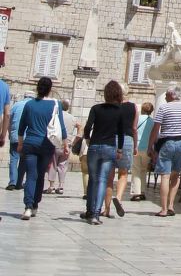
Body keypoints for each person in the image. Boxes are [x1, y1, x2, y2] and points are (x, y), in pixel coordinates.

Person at [82, 81, 134, 225]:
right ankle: (96, 214)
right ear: (118, 94)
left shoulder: (96, 108)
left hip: (94, 146)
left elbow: (87, 127)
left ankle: (89, 210)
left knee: (92, 179)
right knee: (102, 180)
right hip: (109, 147)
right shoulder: (120, 111)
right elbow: (121, 133)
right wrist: (119, 150)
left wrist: (88, 140)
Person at [16, 76, 68, 219]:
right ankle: (35, 205)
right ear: (50, 89)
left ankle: (27, 206)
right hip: (46, 145)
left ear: (37, 88)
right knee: (40, 176)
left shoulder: (29, 104)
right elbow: (61, 127)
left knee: (31, 175)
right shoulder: (55, 104)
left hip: (30, 143)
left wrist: (20, 143)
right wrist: (65, 145)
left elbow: (22, 127)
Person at [149, 86, 181, 217]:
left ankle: (164, 209)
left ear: (171, 95)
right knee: (176, 174)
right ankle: (171, 205)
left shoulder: (164, 108)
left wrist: (150, 146)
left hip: (167, 142)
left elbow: (156, 128)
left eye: (166, 95)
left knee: (165, 175)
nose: (165, 97)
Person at [45, 100, 74, 195]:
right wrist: (73, 141)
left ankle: (52, 186)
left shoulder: (56, 116)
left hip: (57, 143)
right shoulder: (72, 118)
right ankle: (61, 186)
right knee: (63, 165)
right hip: (67, 144)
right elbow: (80, 127)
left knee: (53, 164)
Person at [131, 102, 155, 200]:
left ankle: (136, 193)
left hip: (136, 146)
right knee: (144, 170)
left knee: (136, 169)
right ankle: (142, 191)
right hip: (148, 148)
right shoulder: (152, 122)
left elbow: (133, 130)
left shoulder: (137, 119)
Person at [7, 93, 26, 190]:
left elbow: (9, 120)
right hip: (27, 138)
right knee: (23, 161)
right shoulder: (32, 105)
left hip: (15, 136)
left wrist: (9, 133)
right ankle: (19, 183)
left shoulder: (16, 105)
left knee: (14, 159)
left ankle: (12, 182)